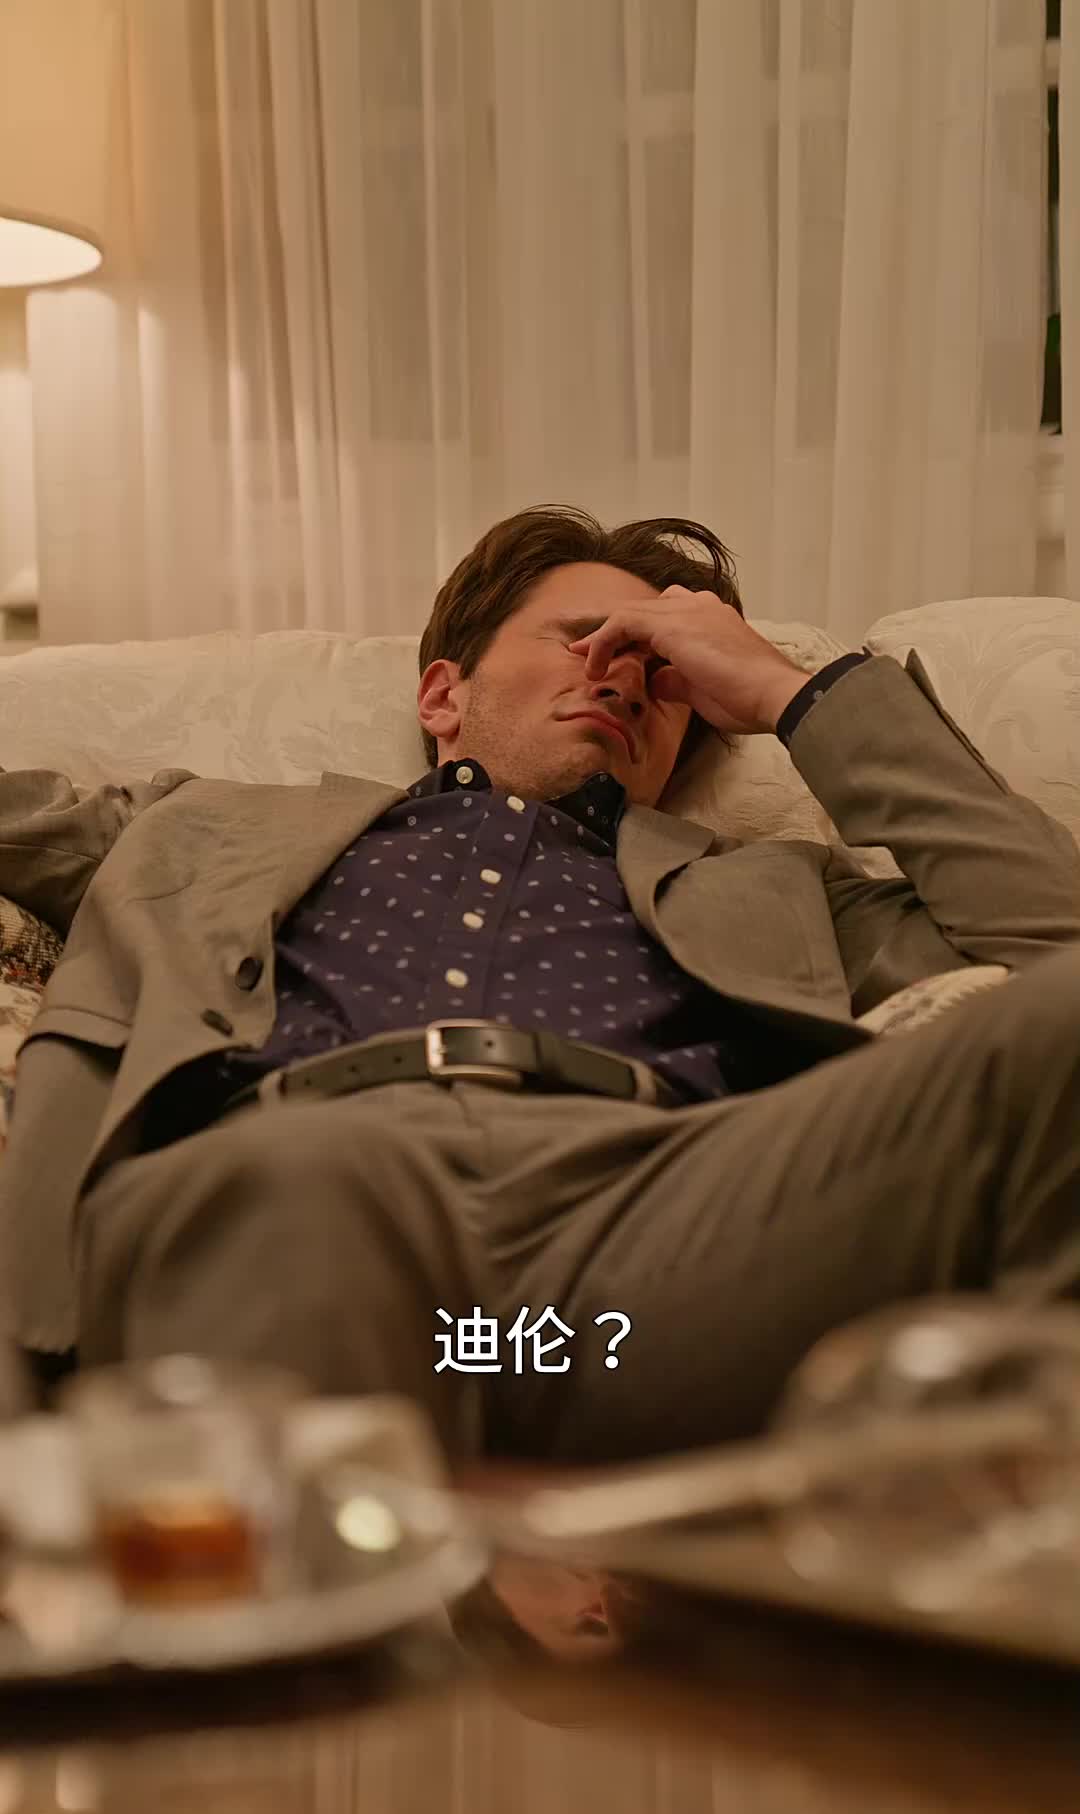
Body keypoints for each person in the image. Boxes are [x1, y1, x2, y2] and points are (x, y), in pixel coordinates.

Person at [1, 505, 1079, 1471]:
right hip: (309, 1198)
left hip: (654, 1251)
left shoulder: (774, 886)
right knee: (306, 1178)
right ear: (442, 693)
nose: (621, 676)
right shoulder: (207, 823)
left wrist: (791, 693)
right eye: (585, 640)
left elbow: (1051, 939)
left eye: (658, 666)